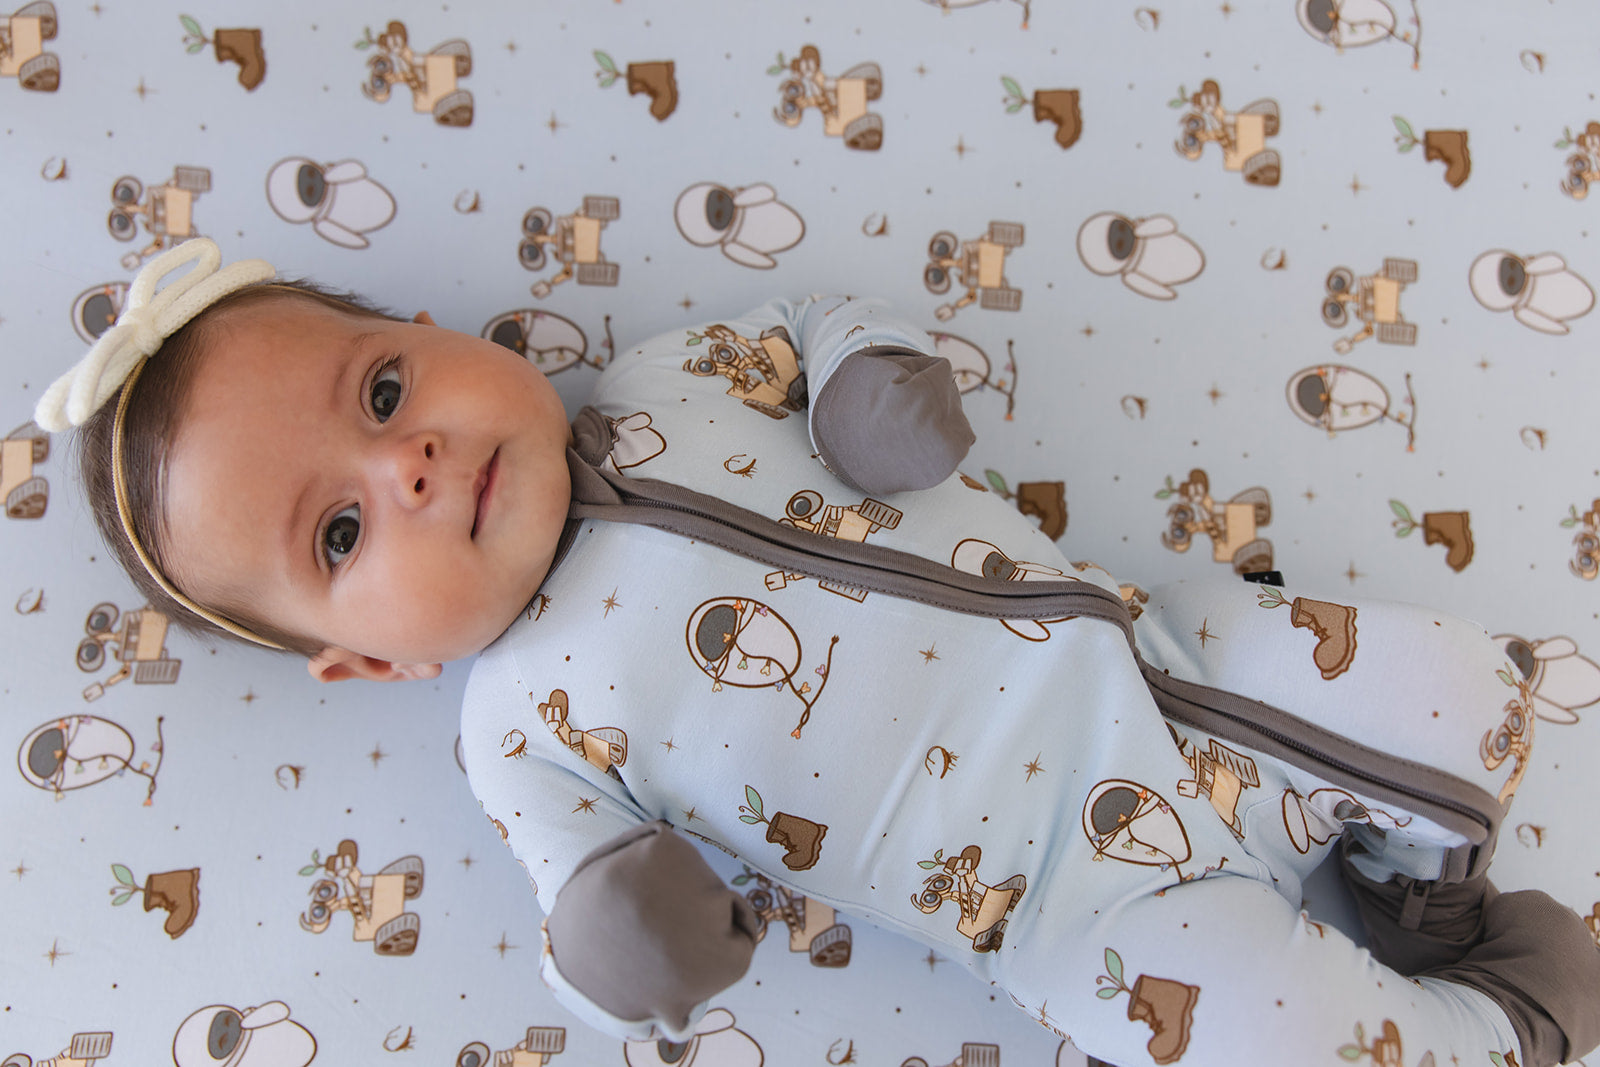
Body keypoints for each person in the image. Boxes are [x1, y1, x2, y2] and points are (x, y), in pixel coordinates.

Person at [38, 239, 1599, 1067]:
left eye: (383, 393)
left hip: (1169, 673)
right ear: (369, 666)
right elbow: (584, 925)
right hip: (1078, 912)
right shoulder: (518, 732)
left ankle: (1420, 890)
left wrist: (863, 377)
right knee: (1285, 1053)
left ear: (436, 336)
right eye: (338, 534)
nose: (410, 467)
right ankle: (1504, 1022)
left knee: (1467, 693)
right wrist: (621, 945)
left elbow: (806, 316)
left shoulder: (664, 381)